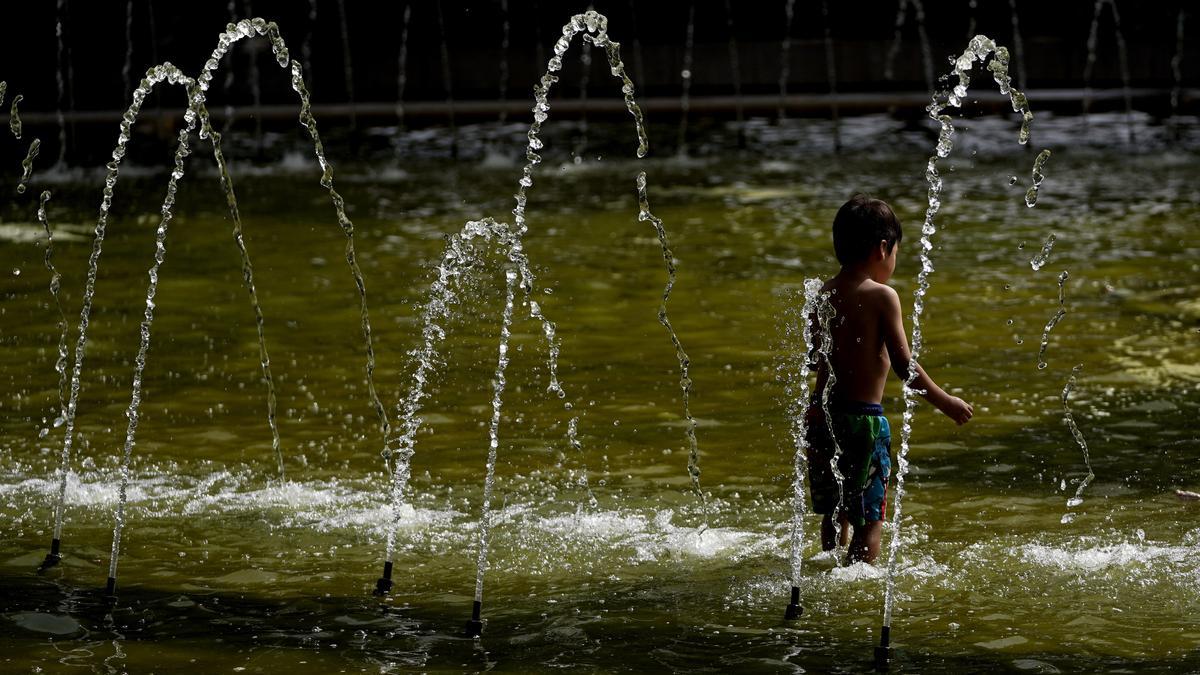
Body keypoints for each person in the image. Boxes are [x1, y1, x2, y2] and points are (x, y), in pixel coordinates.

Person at [805, 193, 973, 564]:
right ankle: (857, 581)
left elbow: (813, 360)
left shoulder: (822, 293)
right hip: (864, 420)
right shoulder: (883, 297)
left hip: (822, 416)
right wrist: (945, 401)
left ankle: (828, 564)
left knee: (836, 510)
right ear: (883, 248)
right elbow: (905, 368)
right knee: (871, 518)